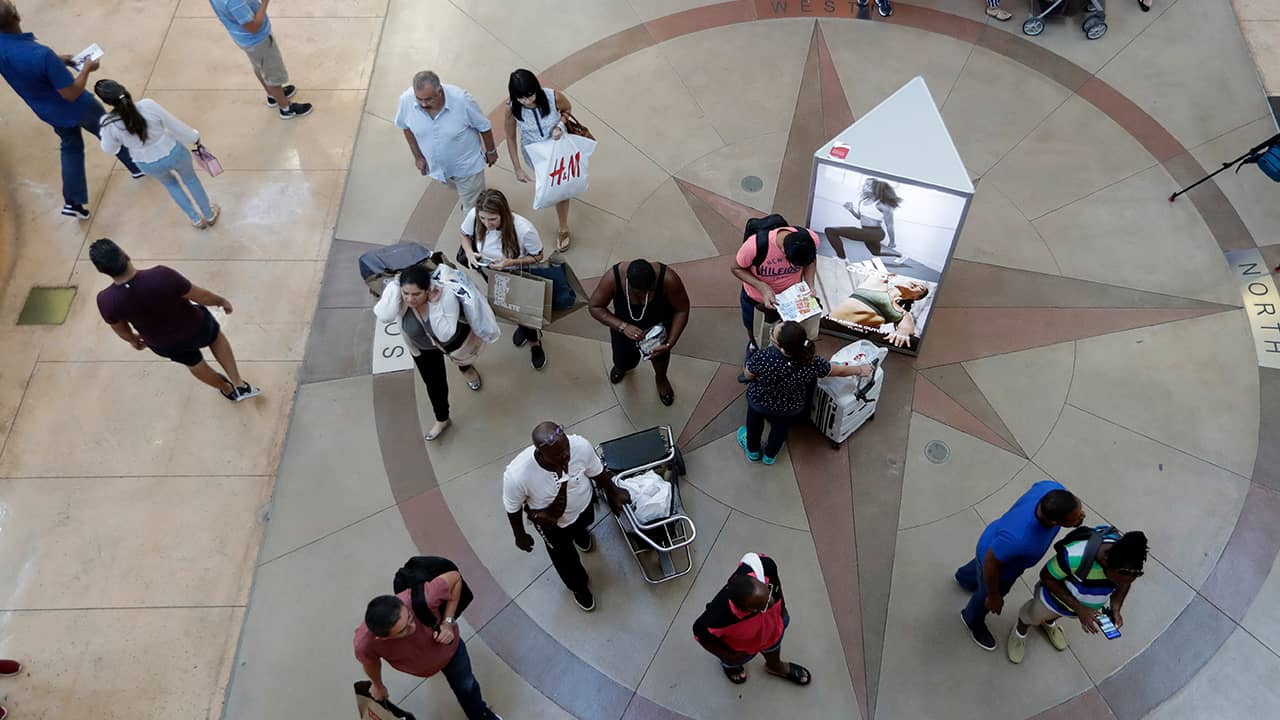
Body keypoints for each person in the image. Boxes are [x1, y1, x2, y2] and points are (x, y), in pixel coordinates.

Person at [0, 0, 142, 220]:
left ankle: (73, 202)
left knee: (71, 147)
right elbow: (71, 93)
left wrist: (58, 61)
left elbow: (24, 64)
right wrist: (86, 69)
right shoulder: (42, 54)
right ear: (17, 16)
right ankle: (137, 165)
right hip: (78, 106)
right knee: (109, 130)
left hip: (47, 110)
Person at [89, 238, 260, 402]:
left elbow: (120, 329)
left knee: (193, 363)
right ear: (126, 255)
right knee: (215, 337)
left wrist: (133, 339)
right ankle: (239, 383)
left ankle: (227, 389)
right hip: (196, 326)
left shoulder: (106, 301)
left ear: (102, 271)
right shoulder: (161, 275)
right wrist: (221, 302)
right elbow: (202, 296)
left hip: (164, 344)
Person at [502, 421, 631, 612]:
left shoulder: (579, 446)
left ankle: (580, 535)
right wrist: (519, 535)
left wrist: (613, 491)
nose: (566, 456)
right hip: (552, 525)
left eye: (567, 450)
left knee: (585, 522)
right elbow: (512, 507)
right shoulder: (517, 475)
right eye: (558, 455)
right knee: (564, 558)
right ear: (540, 453)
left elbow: (597, 472)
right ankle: (578, 587)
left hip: (583, 506)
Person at [955, 482, 1086, 651]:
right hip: (998, 564)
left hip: (994, 540)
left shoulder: (1051, 488)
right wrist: (993, 596)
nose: (1081, 516)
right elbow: (991, 563)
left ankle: (964, 578)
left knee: (978, 569)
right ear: (1055, 521)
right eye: (1075, 518)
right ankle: (972, 619)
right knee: (985, 593)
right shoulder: (1019, 540)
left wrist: (1074, 519)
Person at [356, 571, 503, 720]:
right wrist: (378, 685)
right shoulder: (365, 643)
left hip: (450, 651)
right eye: (403, 630)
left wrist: (448, 622)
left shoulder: (425, 597)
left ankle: (481, 715)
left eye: (410, 618)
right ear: (382, 638)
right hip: (422, 665)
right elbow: (370, 662)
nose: (412, 627)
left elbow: (455, 578)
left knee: (466, 686)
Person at [738, 321, 873, 464]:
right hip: (789, 405)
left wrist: (746, 377)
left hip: (759, 399)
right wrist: (859, 369)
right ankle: (770, 456)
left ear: (783, 349)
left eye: (772, 333)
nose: (771, 332)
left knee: (754, 424)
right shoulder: (812, 362)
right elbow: (837, 370)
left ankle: (753, 451)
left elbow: (748, 374)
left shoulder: (763, 357)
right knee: (780, 430)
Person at [1008, 528, 1149, 664]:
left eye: (1132, 578)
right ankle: (1020, 631)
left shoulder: (1126, 567)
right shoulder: (1074, 556)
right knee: (1032, 616)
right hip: (1051, 602)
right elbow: (1047, 576)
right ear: (1106, 559)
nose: (1120, 584)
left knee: (1055, 615)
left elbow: (1124, 583)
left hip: (1077, 609)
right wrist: (1080, 608)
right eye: (1117, 580)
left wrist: (1116, 608)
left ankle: (1049, 622)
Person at [93, 79, 220, 229]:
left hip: (146, 162)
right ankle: (209, 214)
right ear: (123, 90)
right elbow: (174, 124)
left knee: (171, 185)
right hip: (172, 150)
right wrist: (193, 137)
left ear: (106, 102)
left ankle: (195, 219)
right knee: (191, 180)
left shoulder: (108, 123)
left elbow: (109, 148)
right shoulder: (147, 105)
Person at [392, 263, 496, 442]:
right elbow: (387, 313)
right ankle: (442, 419)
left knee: (462, 359)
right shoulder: (399, 300)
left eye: (416, 294)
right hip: (422, 349)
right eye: (406, 293)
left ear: (428, 290)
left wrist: (434, 305)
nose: (410, 299)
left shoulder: (444, 298)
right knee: (434, 385)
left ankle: (467, 369)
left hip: (450, 343)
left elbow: (445, 332)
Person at [459, 188, 547, 370]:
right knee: (508, 306)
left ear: (503, 213)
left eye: (492, 219)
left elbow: (538, 256)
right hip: (489, 271)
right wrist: (469, 252)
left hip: (514, 274)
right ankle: (523, 328)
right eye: (483, 219)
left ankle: (534, 342)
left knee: (522, 311)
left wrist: (510, 262)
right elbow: (464, 234)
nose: (486, 224)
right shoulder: (475, 215)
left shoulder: (524, 229)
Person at [692, 552, 811, 687]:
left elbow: (776, 583)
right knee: (734, 661)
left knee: (774, 646)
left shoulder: (766, 566)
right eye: (765, 605)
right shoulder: (717, 618)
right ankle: (731, 666)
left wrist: (782, 610)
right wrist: (730, 656)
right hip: (743, 648)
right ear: (744, 609)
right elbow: (701, 635)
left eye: (769, 592)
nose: (772, 601)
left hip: (773, 629)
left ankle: (774, 666)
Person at [588, 259, 691, 406]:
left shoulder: (668, 279)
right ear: (628, 283)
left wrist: (669, 343)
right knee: (621, 358)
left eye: (650, 291)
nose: (645, 296)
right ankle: (621, 367)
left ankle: (661, 379)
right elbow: (595, 306)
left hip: (656, 331)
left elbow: (682, 310)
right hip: (623, 331)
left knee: (660, 359)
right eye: (641, 293)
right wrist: (622, 326)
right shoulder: (614, 278)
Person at [397, 71, 497, 212]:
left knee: (474, 212)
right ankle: (469, 199)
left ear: (440, 91)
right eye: (419, 99)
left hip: (468, 167)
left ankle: (473, 223)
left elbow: (484, 126)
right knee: (460, 190)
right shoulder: (406, 100)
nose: (423, 104)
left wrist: (491, 151)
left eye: (428, 99)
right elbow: (405, 127)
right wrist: (418, 156)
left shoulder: (462, 100)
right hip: (439, 169)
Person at [504, 68, 575, 252]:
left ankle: (563, 227)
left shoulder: (553, 98)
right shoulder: (512, 109)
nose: (527, 101)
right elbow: (510, 137)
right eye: (521, 98)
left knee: (561, 190)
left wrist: (560, 124)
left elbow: (567, 109)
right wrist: (517, 168)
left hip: (558, 149)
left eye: (530, 95)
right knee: (553, 187)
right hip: (536, 156)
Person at [208, 0, 312, 118]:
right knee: (272, 74)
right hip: (258, 41)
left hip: (243, 38)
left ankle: (273, 95)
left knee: (259, 66)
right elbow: (253, 27)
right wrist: (265, 3)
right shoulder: (234, 2)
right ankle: (286, 108)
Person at [730, 225, 819, 348]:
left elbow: (811, 262)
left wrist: (810, 285)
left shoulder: (811, 238)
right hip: (758, 300)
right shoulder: (753, 246)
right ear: (783, 251)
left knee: (789, 334)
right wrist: (762, 287)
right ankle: (754, 347)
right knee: (755, 328)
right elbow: (736, 268)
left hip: (792, 300)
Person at [829, 271, 929, 349]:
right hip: (832, 323)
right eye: (914, 281)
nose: (915, 283)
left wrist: (902, 333)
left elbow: (906, 329)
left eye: (920, 287)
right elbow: (885, 269)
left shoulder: (903, 313)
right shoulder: (879, 283)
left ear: (916, 298)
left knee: (914, 342)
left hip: (858, 335)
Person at [825, 179, 902, 260]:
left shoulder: (882, 205)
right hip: (866, 231)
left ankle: (842, 258)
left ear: (876, 188)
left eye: (868, 185)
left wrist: (892, 241)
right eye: (864, 184)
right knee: (876, 252)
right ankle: (899, 255)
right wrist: (851, 210)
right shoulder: (863, 201)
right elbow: (859, 217)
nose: (864, 186)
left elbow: (889, 225)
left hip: (876, 233)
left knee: (830, 231)